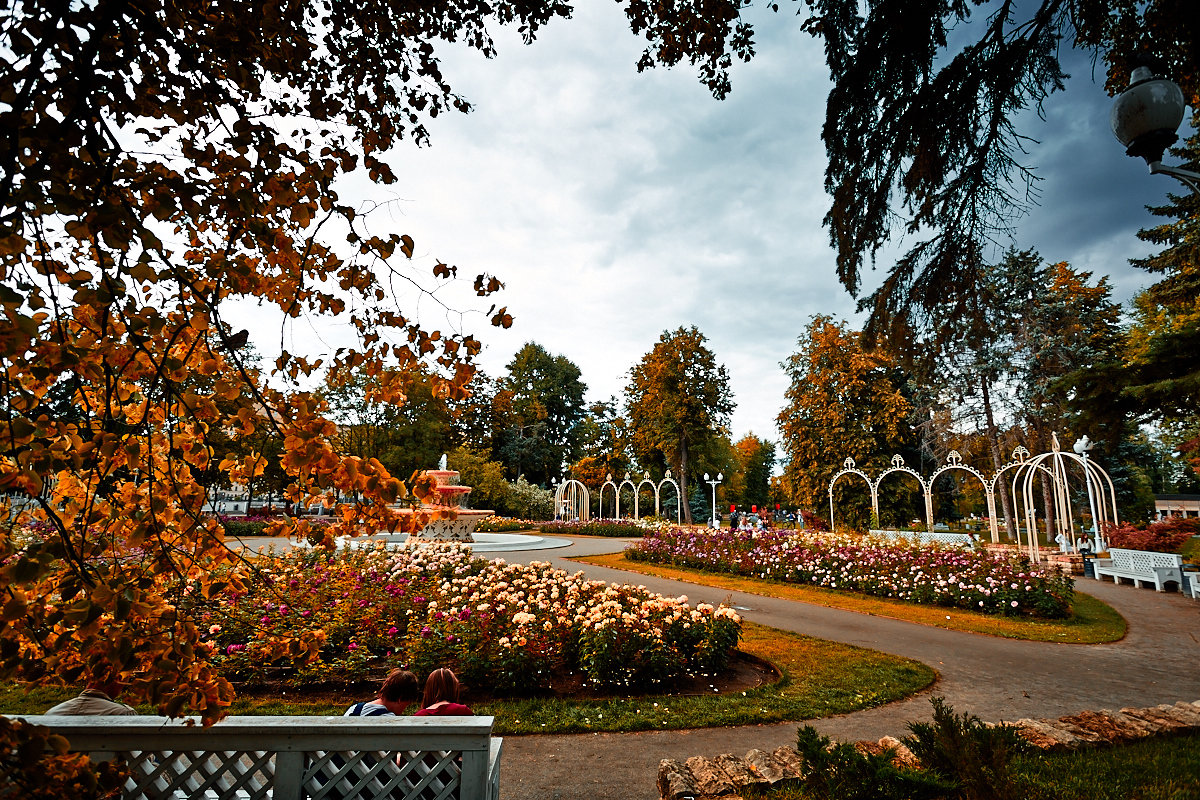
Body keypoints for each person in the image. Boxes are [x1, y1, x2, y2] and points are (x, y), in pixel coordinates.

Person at [345, 669, 419, 717]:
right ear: (400, 699)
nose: (403, 711)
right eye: (406, 705)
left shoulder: (354, 709)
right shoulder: (389, 719)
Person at [45, 679, 136, 716]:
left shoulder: (52, 713)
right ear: (117, 681)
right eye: (123, 684)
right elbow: (136, 755)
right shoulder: (123, 713)